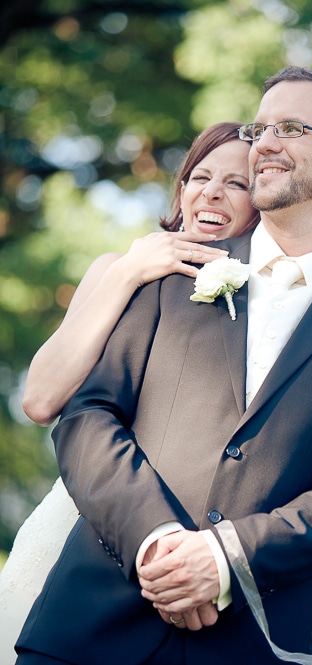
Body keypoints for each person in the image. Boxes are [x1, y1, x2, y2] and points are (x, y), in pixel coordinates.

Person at [15, 66, 312, 665]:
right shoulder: (168, 271)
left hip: (252, 639)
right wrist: (155, 543)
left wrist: (224, 558)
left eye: (291, 127)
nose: (266, 144)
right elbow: (86, 416)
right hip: (91, 624)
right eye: (261, 129)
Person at [0, 121, 260, 664]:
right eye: (200, 176)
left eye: (236, 184)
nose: (211, 192)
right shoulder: (118, 271)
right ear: (181, 187)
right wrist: (129, 273)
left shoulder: (264, 301)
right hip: (79, 529)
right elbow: (40, 400)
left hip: (191, 555)